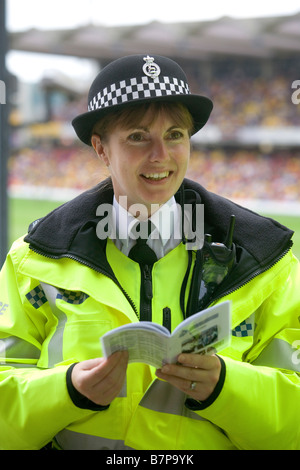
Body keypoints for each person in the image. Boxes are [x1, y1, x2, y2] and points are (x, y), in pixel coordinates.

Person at [0, 54, 299, 451]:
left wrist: (226, 386)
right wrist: (67, 390)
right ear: (101, 149)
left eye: (175, 134)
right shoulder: (31, 262)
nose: (161, 155)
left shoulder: (268, 264)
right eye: (138, 136)